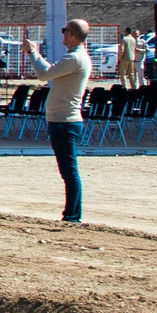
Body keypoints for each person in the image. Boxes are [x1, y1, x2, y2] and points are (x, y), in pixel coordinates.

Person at [22, 18, 93, 224]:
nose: (63, 34)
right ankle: (72, 213)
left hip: (65, 121)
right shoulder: (76, 57)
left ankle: (72, 215)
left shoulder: (74, 58)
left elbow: (44, 74)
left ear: (72, 35)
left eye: (65, 31)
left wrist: (33, 53)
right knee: (68, 170)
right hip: (64, 120)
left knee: (69, 171)